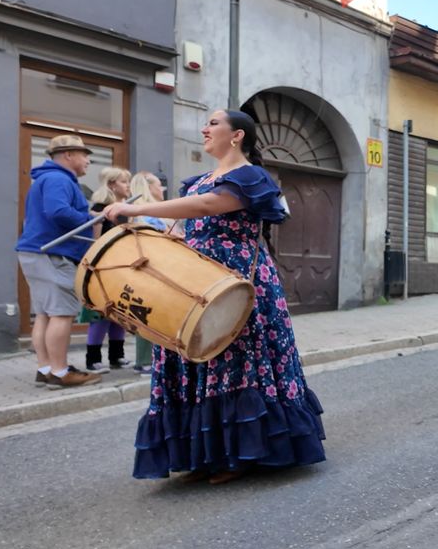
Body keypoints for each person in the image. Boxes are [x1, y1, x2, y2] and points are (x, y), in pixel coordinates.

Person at [103, 110, 325, 483]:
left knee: (234, 360)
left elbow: (208, 206)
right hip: (195, 280)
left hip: (235, 280)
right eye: (205, 124)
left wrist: (136, 208)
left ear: (237, 135)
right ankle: (204, 451)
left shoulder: (250, 176)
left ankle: (238, 453)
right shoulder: (199, 180)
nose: (204, 129)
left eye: (213, 124)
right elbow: (185, 223)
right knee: (191, 351)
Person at [15, 135, 103, 389]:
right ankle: (60, 372)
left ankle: (45, 369)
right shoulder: (58, 178)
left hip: (38, 252)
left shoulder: (46, 178)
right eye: (84, 154)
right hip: (54, 253)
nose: (87, 160)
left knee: (44, 314)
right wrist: (91, 217)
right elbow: (58, 212)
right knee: (62, 314)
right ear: (68, 155)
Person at [80, 167, 133, 372]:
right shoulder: (102, 208)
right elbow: (96, 241)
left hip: (121, 266)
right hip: (104, 267)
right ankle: (92, 359)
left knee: (119, 313)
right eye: (123, 181)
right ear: (111, 184)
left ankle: (116, 356)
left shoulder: (124, 208)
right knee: (101, 315)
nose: (128, 185)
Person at [127, 171, 171, 374]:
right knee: (148, 314)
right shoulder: (147, 215)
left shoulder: (138, 213)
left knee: (145, 313)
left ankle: (146, 360)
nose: (162, 189)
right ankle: (145, 361)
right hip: (153, 270)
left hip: (147, 269)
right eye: (158, 185)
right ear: (148, 187)